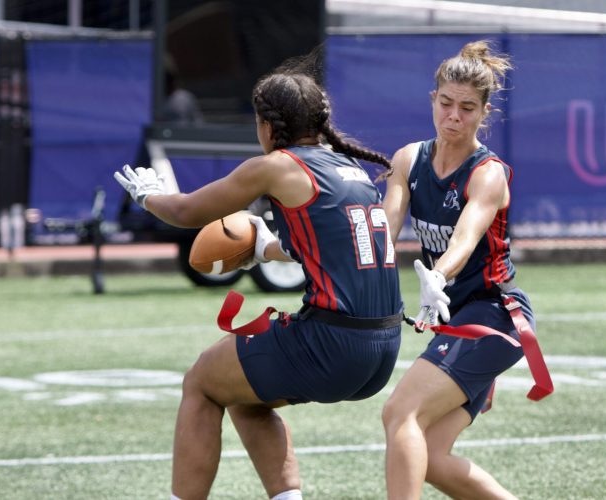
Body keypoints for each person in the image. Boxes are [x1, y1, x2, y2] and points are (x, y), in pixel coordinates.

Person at [115, 65, 403, 500]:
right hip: (384, 349)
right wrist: (264, 246)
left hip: (333, 343)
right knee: (244, 393)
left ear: (267, 126)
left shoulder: (276, 167)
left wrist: (148, 195)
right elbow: (322, 245)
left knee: (201, 381)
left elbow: (189, 212)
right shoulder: (349, 169)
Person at [381, 40, 551, 499]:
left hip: (494, 317)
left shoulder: (487, 172)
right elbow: (385, 231)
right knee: (432, 457)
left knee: (400, 413)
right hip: (455, 323)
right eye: (446, 103)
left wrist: (438, 276)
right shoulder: (408, 160)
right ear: (432, 100)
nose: (454, 116)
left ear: (484, 112)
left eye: (467, 108)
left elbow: (465, 237)